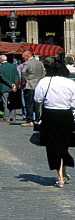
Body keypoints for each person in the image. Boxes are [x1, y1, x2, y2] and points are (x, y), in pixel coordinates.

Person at [32, 59, 75, 188]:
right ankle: (63, 173)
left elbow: (37, 99)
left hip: (49, 114)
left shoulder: (45, 81)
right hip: (65, 114)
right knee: (63, 144)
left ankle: (60, 176)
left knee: (53, 145)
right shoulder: (69, 83)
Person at [20, 50, 45, 127]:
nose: (23, 59)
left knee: (29, 103)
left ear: (27, 56)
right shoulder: (40, 63)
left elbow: (23, 72)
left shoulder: (27, 63)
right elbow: (44, 72)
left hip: (30, 84)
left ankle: (29, 120)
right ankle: (38, 119)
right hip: (39, 84)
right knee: (37, 103)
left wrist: (24, 80)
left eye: (23, 57)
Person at [0, 54, 21, 122]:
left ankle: (6, 117)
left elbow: (3, 77)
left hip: (5, 86)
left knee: (5, 102)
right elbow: (17, 75)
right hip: (13, 87)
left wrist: (11, 84)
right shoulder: (13, 66)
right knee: (13, 102)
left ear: (0, 60)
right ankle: (13, 117)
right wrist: (15, 84)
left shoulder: (0, 67)